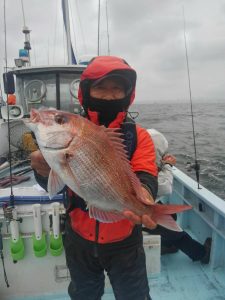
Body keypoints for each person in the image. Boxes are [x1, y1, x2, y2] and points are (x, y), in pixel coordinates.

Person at [30, 56, 158, 300]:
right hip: (78, 238)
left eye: (117, 88)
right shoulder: (72, 131)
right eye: (101, 87)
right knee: (83, 295)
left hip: (125, 241)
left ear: (128, 94)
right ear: (86, 93)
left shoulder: (139, 136)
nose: (109, 96)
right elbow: (54, 187)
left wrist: (146, 201)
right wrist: (41, 171)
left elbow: (145, 175)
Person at [143, 129, 211, 264]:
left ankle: (168, 245)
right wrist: (167, 165)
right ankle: (201, 254)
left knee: (172, 216)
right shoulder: (144, 167)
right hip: (133, 214)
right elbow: (163, 187)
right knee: (172, 230)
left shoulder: (133, 159)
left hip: (135, 207)